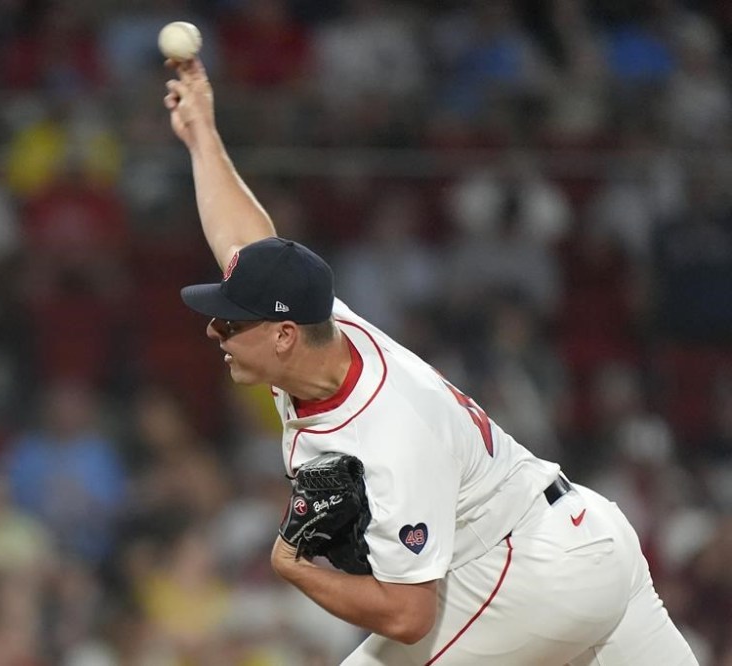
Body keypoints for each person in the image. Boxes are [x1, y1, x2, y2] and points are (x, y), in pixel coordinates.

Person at [162, 56, 699, 665]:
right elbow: (246, 245)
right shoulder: (323, 327)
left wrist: (292, 567)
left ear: (283, 335)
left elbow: (408, 616)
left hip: (526, 573)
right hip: (588, 537)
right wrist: (203, 134)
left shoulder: (387, 434)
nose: (214, 330)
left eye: (231, 322)